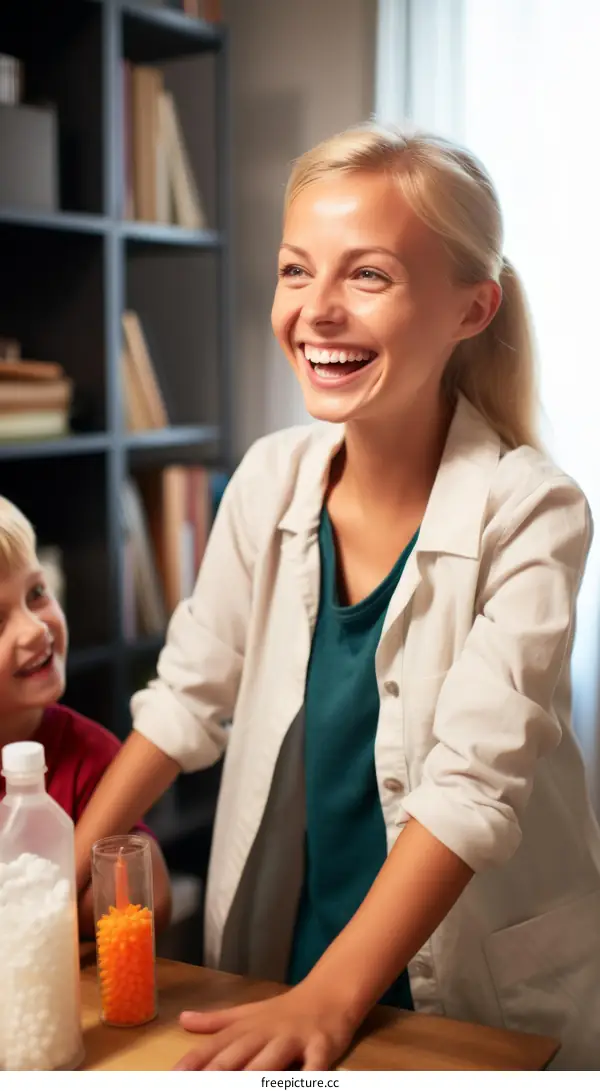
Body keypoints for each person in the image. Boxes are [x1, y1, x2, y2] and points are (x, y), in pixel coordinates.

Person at [74, 123, 600, 1071]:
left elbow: (472, 786)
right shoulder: (269, 478)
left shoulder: (535, 511)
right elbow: (191, 692)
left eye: (368, 276)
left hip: (456, 991)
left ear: (471, 309)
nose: (315, 311)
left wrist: (332, 995)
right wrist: (62, 865)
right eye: (293, 270)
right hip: (291, 965)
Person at [0, 496, 172, 937]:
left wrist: (37, 920)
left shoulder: (90, 754)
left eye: (36, 593)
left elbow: (152, 892)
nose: (35, 628)